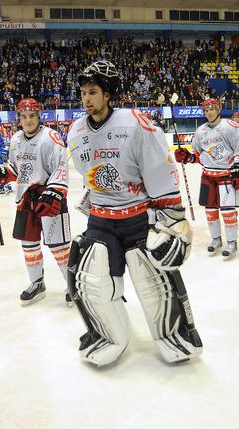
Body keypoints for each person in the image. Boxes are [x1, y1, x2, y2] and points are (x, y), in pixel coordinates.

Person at [67, 60, 202, 367]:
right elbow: (89, 175)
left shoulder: (136, 124)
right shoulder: (76, 132)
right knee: (93, 280)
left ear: (108, 94)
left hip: (138, 218)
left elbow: (159, 171)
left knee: (152, 281)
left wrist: (173, 219)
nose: (86, 99)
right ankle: (108, 335)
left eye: (92, 92)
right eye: (83, 93)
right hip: (100, 219)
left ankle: (172, 335)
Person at [0, 98, 72, 306]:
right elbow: (16, 169)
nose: (28, 120)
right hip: (25, 199)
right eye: (24, 116)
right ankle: (37, 283)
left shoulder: (51, 137)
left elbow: (61, 168)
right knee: (29, 246)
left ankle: (72, 285)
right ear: (19, 119)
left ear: (39, 116)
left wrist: (55, 193)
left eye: (32, 116)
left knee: (59, 247)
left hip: (49, 198)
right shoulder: (15, 139)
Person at [175, 98, 239, 260]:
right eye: (206, 110)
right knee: (210, 211)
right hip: (208, 175)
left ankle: (231, 242)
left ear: (219, 109)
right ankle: (216, 239)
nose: (209, 113)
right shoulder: (200, 131)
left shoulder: (231, 127)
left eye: (212, 109)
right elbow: (198, 155)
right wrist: (187, 157)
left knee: (228, 212)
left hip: (226, 175)